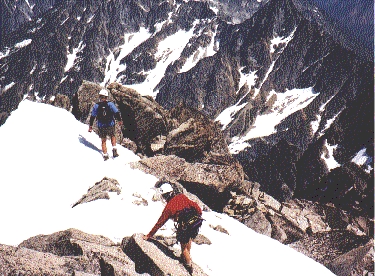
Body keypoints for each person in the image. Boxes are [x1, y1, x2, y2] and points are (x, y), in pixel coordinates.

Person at [143, 182, 203, 275]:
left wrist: (149, 235)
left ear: (166, 195)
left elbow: (159, 223)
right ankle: (188, 256)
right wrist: (198, 215)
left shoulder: (169, 207)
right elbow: (196, 206)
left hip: (184, 226)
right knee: (189, 239)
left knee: (184, 249)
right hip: (194, 223)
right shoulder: (181, 196)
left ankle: (189, 267)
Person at [88, 89, 123, 160]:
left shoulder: (96, 106)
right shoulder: (110, 104)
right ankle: (114, 150)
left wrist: (90, 126)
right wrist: (119, 120)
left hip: (101, 126)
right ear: (106, 97)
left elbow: (92, 117)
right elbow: (116, 113)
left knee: (103, 140)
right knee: (112, 136)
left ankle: (105, 155)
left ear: (100, 97)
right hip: (110, 124)